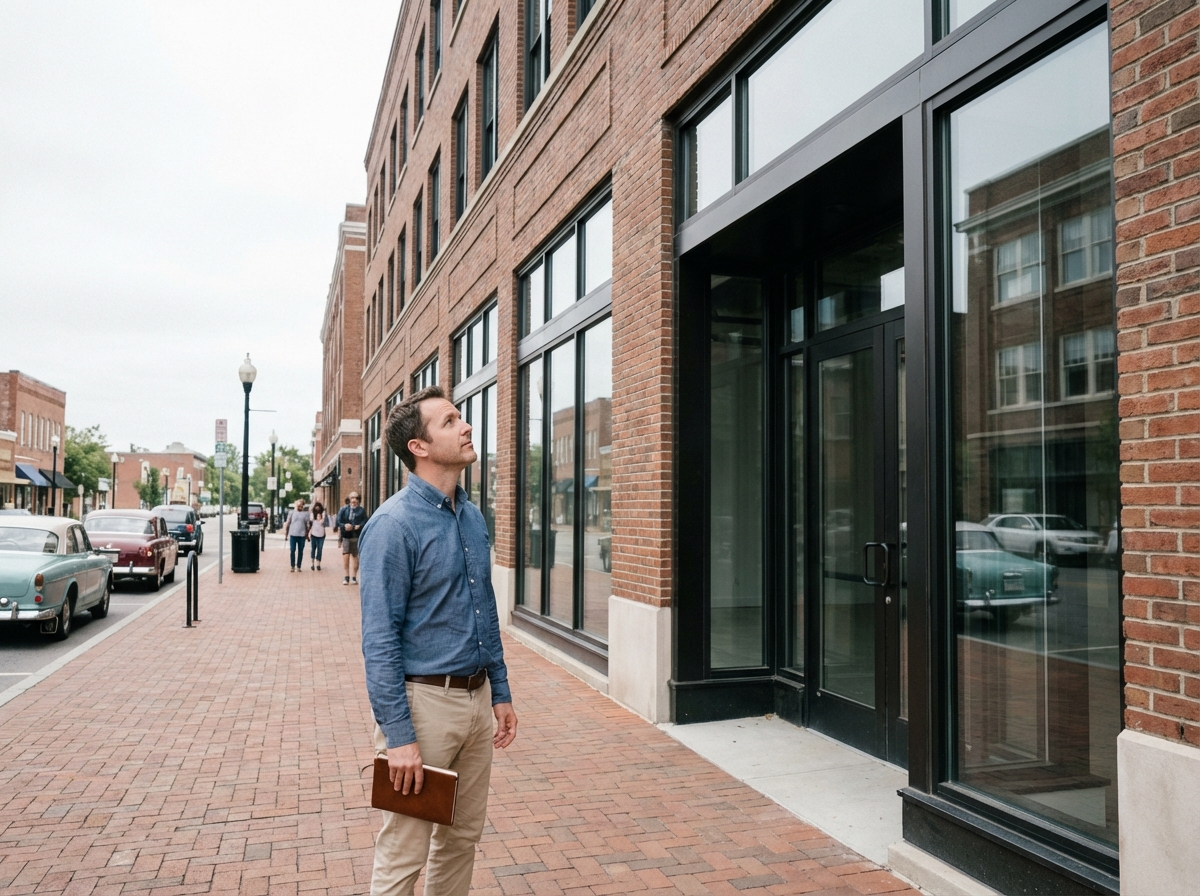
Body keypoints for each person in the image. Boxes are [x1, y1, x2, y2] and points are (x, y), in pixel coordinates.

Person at [360, 385, 517, 896]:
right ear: (419, 448)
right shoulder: (392, 525)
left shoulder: (470, 515)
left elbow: (484, 608)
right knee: (404, 852)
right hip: (422, 708)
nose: (466, 426)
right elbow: (379, 640)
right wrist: (400, 737)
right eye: (450, 421)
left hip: (474, 704)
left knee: (461, 840)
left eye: (461, 418)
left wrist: (500, 691)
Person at [337, 492, 368, 584]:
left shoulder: (361, 510)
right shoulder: (344, 510)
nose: (354, 500)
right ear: (349, 499)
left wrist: (359, 526)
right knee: (346, 555)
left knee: (355, 556)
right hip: (346, 535)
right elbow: (338, 521)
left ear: (358, 500)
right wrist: (344, 525)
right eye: (352, 498)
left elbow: (365, 521)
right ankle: (346, 576)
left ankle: (354, 577)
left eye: (356, 498)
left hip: (356, 536)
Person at [284, 499, 312, 572]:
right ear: (296, 505)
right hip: (293, 534)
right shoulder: (291, 513)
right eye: (298, 505)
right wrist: (286, 534)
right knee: (292, 550)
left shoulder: (306, 514)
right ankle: (292, 566)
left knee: (300, 551)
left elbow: (308, 524)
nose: (300, 507)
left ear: (303, 506)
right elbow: (288, 523)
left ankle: (299, 566)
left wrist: (307, 534)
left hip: (301, 535)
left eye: (301, 505)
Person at [309, 501, 327, 570]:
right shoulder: (312, 515)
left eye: (319, 507)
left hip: (321, 534)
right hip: (314, 534)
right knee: (313, 548)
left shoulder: (323, 514)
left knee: (320, 549)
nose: (317, 508)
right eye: (316, 507)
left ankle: (318, 563)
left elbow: (322, 520)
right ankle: (312, 563)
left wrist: (321, 515)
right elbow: (311, 519)